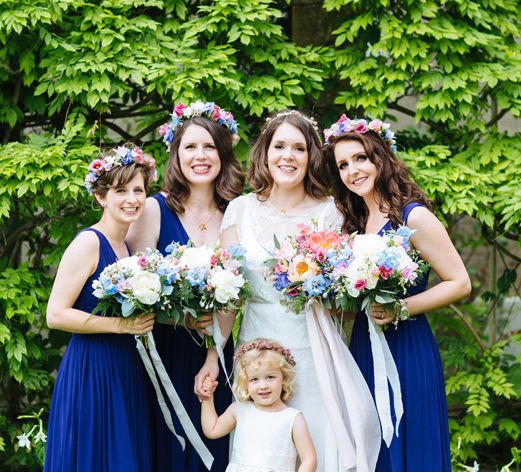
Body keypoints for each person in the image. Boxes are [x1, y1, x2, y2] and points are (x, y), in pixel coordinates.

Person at [196, 110, 360, 471]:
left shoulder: (333, 213)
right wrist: (212, 357)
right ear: (265, 152)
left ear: (311, 156)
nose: (288, 156)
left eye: (299, 148)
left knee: (318, 443)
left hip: (316, 348)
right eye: (279, 145)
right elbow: (229, 299)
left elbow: (348, 299)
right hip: (256, 352)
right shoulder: (240, 210)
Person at [324, 115, 472, 471]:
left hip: (406, 346)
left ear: (380, 157)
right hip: (364, 345)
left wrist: (401, 308)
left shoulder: (412, 216)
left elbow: (460, 282)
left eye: (360, 158)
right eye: (343, 165)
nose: (352, 170)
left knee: (411, 443)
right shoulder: (353, 226)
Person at [126, 101, 244, 471]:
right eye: (190, 147)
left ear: (223, 153)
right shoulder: (152, 209)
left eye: (209, 146)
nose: (200, 156)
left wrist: (213, 354)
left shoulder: (236, 212)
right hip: (162, 349)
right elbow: (132, 288)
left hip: (217, 351)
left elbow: (234, 296)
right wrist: (179, 320)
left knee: (216, 449)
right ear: (176, 155)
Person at [44, 144, 157, 471]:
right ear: (100, 196)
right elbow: (56, 314)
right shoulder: (89, 242)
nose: (132, 199)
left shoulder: (127, 247)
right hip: (93, 368)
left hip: (125, 366)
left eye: (138, 190)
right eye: (121, 190)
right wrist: (120, 327)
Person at [201, 338, 317, 472]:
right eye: (254, 379)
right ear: (245, 382)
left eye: (270, 377)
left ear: (284, 378)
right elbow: (212, 430)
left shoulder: (293, 418)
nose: (263, 386)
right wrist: (207, 397)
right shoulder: (239, 410)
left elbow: (309, 459)